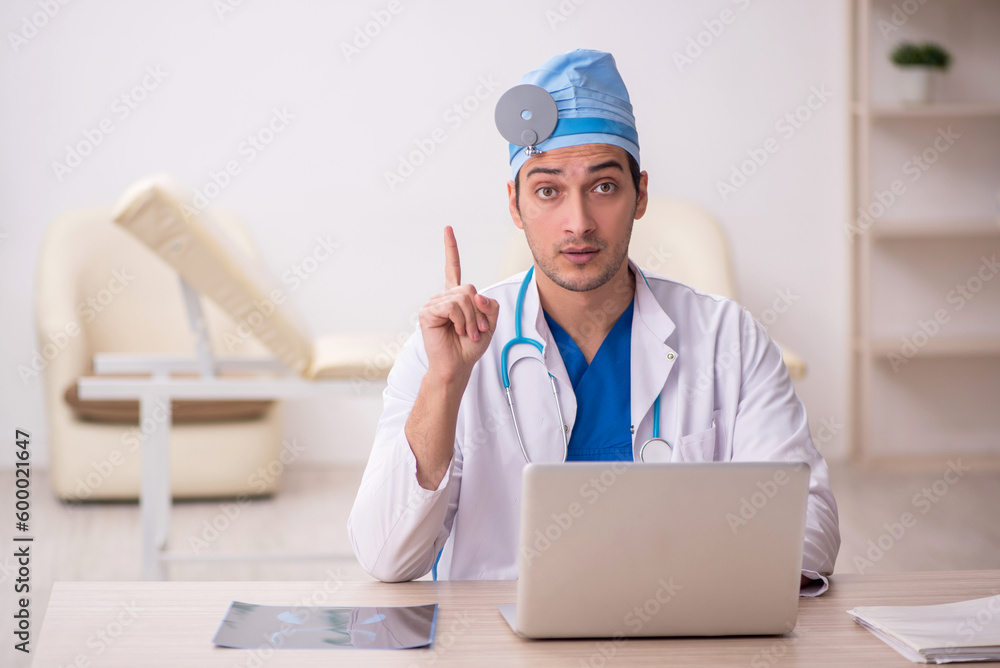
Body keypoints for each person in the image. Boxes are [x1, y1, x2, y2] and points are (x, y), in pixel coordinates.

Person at [348, 49, 840, 594]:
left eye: (603, 187)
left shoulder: (729, 337)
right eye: (547, 190)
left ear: (640, 194)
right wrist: (444, 384)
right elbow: (385, 554)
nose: (578, 223)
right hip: (493, 635)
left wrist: (666, 582)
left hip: (678, 625)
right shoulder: (445, 347)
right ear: (514, 205)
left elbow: (811, 532)